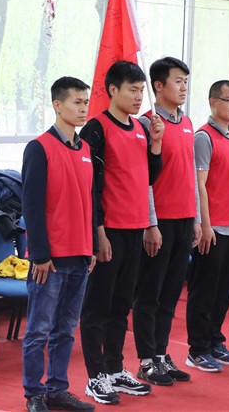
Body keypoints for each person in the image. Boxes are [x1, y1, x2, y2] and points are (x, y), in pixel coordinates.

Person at [79, 61, 164, 405]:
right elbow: (91, 186)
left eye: (141, 90)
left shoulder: (141, 128)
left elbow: (148, 177)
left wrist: (156, 144)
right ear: (113, 90)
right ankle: (95, 376)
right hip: (109, 230)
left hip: (135, 228)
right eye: (132, 89)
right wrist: (98, 233)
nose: (139, 96)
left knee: (121, 305)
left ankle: (114, 369)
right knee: (97, 307)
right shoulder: (96, 129)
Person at [21, 76, 97, 412]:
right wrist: (39, 254)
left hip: (80, 254)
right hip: (50, 258)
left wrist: (90, 246)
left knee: (66, 330)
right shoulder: (39, 147)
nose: (83, 108)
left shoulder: (86, 150)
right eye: (77, 102)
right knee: (39, 330)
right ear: (57, 105)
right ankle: (34, 393)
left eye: (85, 102)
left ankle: (57, 389)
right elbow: (31, 205)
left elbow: (90, 202)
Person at [133, 57, 198, 386]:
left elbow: (190, 174)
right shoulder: (146, 124)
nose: (183, 87)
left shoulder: (186, 122)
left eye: (186, 81)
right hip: (159, 222)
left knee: (171, 293)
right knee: (150, 293)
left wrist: (196, 218)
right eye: (177, 81)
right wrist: (151, 223)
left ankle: (160, 354)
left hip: (185, 219)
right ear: (158, 86)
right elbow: (144, 179)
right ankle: (146, 360)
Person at [186, 80, 229, 373]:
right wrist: (205, 225)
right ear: (213, 102)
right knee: (204, 290)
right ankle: (197, 349)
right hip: (214, 228)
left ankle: (214, 341)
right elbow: (200, 185)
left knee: (224, 290)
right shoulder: (203, 137)